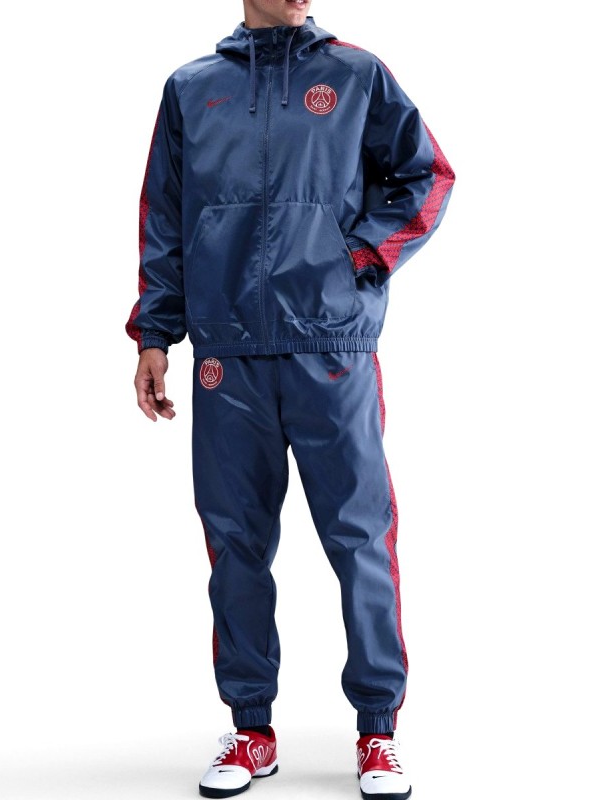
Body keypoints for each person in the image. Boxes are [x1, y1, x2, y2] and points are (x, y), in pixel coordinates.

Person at [125, 0, 454, 796]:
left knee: (360, 537)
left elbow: (427, 176)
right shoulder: (191, 88)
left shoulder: (356, 74)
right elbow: (164, 218)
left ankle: (378, 730)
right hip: (227, 353)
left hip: (330, 347)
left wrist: (360, 258)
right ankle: (251, 730)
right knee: (235, 542)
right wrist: (154, 335)